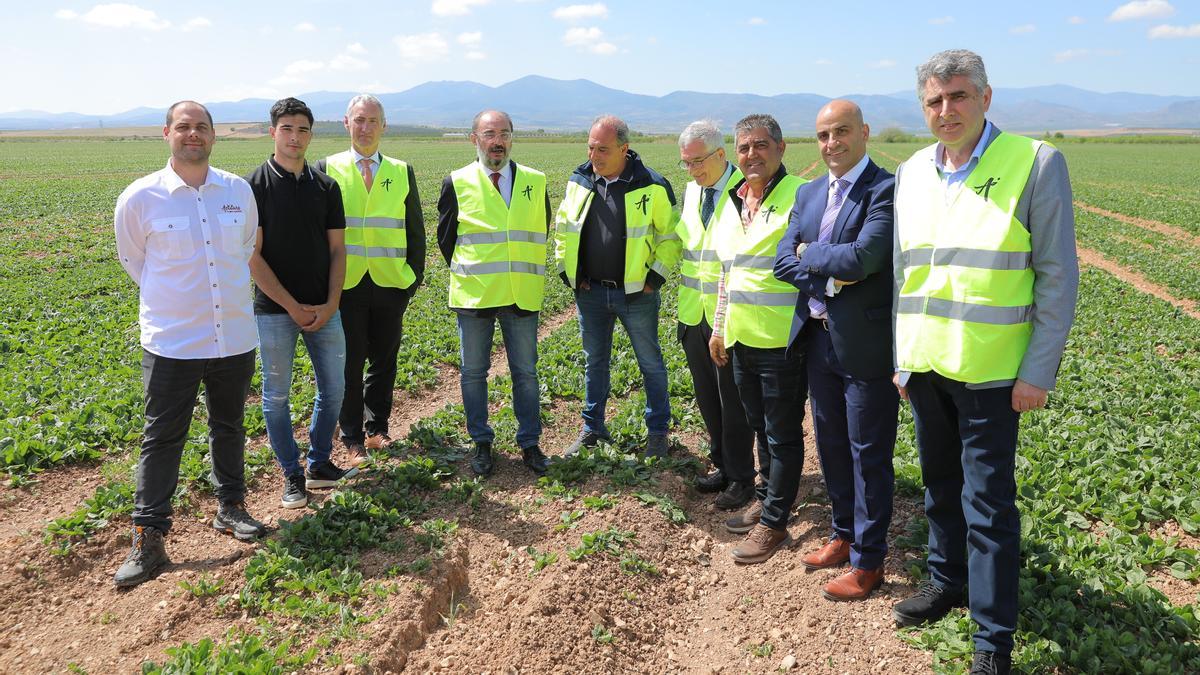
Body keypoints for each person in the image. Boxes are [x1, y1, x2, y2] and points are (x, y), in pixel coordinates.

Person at [890, 50, 1078, 675]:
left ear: (986, 98)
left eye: (959, 96)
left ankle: (992, 641)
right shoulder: (912, 170)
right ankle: (947, 584)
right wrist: (901, 356)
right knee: (939, 488)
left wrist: (1037, 372)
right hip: (925, 366)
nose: (947, 110)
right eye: (935, 101)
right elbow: (904, 272)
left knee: (989, 504)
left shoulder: (1034, 162)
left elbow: (1056, 277)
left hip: (993, 372)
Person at [112, 100, 266, 587]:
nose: (193, 134)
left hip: (234, 336)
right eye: (184, 127)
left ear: (214, 136)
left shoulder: (237, 191)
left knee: (229, 425)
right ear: (167, 134)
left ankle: (231, 508)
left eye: (201, 127)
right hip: (173, 342)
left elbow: (245, 249)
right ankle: (149, 537)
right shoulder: (140, 198)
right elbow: (135, 262)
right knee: (161, 437)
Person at [773, 100, 898, 600]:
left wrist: (811, 255)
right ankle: (843, 534)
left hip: (865, 345)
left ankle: (870, 561)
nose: (831, 144)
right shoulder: (807, 194)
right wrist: (830, 274)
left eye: (842, 132)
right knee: (830, 444)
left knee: (868, 451)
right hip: (818, 338)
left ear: (864, 133)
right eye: (823, 135)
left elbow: (866, 257)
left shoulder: (886, 189)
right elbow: (783, 262)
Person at [708, 114, 808, 563]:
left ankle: (775, 523)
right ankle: (768, 495)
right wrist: (719, 327)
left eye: (761, 145)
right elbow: (728, 273)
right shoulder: (732, 202)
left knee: (783, 432)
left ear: (781, 149)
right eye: (745, 147)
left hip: (782, 339)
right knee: (760, 426)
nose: (752, 154)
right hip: (742, 338)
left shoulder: (799, 197)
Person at [247, 97, 353, 511]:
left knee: (336, 387)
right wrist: (292, 306)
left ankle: (319, 463)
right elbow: (252, 256)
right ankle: (291, 473)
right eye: (287, 129)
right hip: (275, 311)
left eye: (303, 129)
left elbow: (338, 251)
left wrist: (330, 304)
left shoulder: (325, 186)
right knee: (276, 396)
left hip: (325, 308)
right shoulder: (253, 186)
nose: (295, 137)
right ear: (272, 132)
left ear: (312, 134)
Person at [554, 115, 680, 458]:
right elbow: (564, 227)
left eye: (603, 149)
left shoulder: (651, 185)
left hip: (637, 294)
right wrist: (568, 272)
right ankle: (593, 429)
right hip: (591, 292)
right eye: (591, 147)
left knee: (649, 362)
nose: (595, 155)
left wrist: (654, 278)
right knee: (594, 362)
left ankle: (657, 431)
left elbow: (671, 237)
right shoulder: (579, 180)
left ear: (624, 148)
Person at [437, 110, 551, 477]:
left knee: (526, 373)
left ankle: (530, 444)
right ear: (475, 139)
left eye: (503, 133)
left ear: (512, 138)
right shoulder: (456, 182)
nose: (497, 140)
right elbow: (446, 239)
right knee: (473, 373)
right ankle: (482, 443)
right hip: (476, 296)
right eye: (489, 133)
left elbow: (540, 229)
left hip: (521, 294)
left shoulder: (536, 181)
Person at [317, 94, 425, 468]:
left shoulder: (400, 170)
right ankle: (350, 435)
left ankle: (377, 426)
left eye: (373, 121)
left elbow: (415, 231)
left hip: (390, 283)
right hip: (344, 286)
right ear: (346, 123)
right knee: (348, 363)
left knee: (384, 359)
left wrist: (411, 279)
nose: (365, 128)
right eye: (359, 120)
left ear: (384, 126)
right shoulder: (326, 167)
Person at [674, 120, 757, 511]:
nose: (691, 170)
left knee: (733, 401)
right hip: (693, 313)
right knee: (708, 397)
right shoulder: (693, 191)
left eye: (697, 162)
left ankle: (743, 478)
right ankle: (722, 464)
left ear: (721, 155)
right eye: (686, 163)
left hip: (729, 316)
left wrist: (723, 322)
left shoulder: (745, 192)